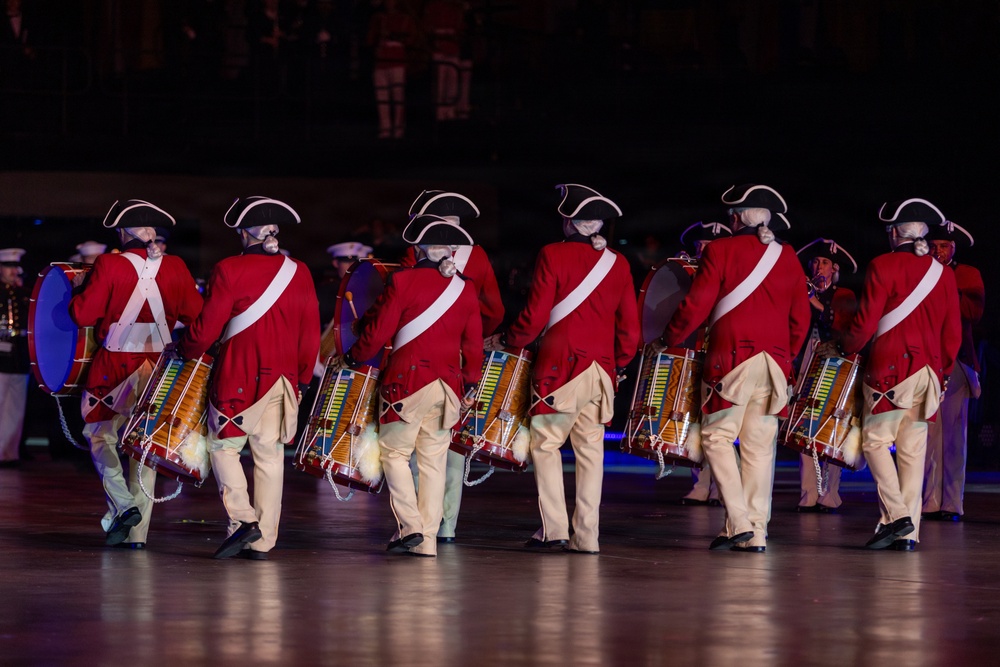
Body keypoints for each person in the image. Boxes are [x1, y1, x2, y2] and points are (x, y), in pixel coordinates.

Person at [657, 184, 811, 553]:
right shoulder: (787, 254)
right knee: (759, 449)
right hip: (775, 363)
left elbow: (697, 304)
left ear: (737, 217)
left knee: (716, 438)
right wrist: (784, 355)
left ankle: (740, 521)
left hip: (732, 360)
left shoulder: (721, 250)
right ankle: (754, 532)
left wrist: (670, 338)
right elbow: (800, 318)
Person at [488, 184, 639, 554]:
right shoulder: (618, 262)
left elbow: (536, 316)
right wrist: (617, 363)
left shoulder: (552, 254)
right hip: (600, 371)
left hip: (561, 367)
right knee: (591, 452)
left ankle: (554, 529)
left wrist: (509, 340)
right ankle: (587, 537)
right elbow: (630, 329)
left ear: (568, 221)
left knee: (546, 446)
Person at [178, 197, 319, 561]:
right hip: (285, 379)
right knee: (270, 457)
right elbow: (310, 331)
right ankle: (263, 541)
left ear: (244, 233)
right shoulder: (300, 270)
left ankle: (242, 518)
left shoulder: (229, 269)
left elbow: (209, 326)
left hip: (240, 376)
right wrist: (302, 379)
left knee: (223, 448)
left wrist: (186, 348)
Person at [336, 214, 483, 557]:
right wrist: (471, 382)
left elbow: (378, 333)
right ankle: (427, 542)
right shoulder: (466, 287)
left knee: (394, 455)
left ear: (418, 249)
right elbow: (473, 344)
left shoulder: (403, 282)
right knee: (433, 462)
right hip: (449, 386)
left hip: (407, 383)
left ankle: (411, 526)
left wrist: (355, 357)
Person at [68, 200, 203, 548]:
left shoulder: (109, 264)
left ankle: (124, 505)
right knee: (144, 448)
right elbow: (195, 316)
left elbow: (83, 315)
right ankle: (136, 537)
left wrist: (80, 289)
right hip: (159, 368)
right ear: (152, 233)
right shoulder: (175, 266)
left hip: (114, 367)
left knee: (100, 437)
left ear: (124, 232)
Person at [835, 198, 961, 551]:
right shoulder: (944, 273)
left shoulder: (882, 265)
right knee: (912, 453)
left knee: (874, 442)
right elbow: (953, 332)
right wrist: (945, 371)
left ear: (894, 233)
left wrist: (848, 346)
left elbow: (867, 321)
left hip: (892, 368)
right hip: (930, 371)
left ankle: (897, 515)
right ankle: (908, 534)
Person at [401, 190, 504, 543]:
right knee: (451, 443)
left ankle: (416, 523)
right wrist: (474, 338)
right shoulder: (479, 256)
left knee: (415, 444)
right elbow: (494, 311)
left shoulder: (415, 249)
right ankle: (446, 525)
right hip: (460, 359)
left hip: (416, 358)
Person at [922, 220, 983, 522]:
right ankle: (930, 500)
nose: (938, 251)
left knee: (954, 438)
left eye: (943, 246)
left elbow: (973, 312)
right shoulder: (922, 273)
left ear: (953, 248)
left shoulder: (967, 274)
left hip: (957, 361)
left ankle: (951, 502)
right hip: (927, 361)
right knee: (929, 435)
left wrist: (945, 282)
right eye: (933, 247)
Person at [793, 237, 858, 513]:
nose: (819, 266)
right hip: (807, 359)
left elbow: (844, 324)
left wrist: (814, 302)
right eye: (816, 262)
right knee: (804, 426)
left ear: (834, 269)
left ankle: (829, 494)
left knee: (831, 428)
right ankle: (808, 493)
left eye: (825, 263)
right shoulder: (803, 291)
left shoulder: (844, 294)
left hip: (836, 363)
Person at [672, 221, 732, 507]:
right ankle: (700, 483)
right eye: (701, 247)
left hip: (722, 353)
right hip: (694, 350)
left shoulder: (731, 271)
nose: (704, 251)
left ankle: (722, 486)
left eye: (709, 247)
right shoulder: (690, 274)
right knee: (694, 417)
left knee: (720, 422)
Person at [367, 0, 415, 139]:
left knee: (398, 96)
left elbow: (410, 39)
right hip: (381, 61)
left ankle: (398, 128)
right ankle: (385, 127)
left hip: (397, 60)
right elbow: (370, 39)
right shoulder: (377, 18)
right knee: (382, 97)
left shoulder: (405, 19)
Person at [0, 248, 29, 467]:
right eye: (8, 266)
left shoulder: (21, 293)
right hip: (2, 355)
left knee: (15, 407)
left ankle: (10, 452)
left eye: (14, 267)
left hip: (19, 355)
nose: (12, 271)